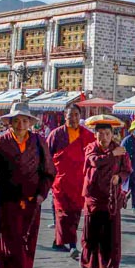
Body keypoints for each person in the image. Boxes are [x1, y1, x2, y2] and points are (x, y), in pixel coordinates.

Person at [0, 101, 56, 268]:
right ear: (10, 123)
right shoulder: (0, 144)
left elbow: (49, 171)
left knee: (27, 241)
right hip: (8, 201)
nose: (20, 125)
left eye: (24, 121)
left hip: (31, 201)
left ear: (30, 122)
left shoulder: (38, 142)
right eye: (16, 121)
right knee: (11, 242)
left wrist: (42, 194)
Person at [80, 116, 131, 268]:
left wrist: (119, 177)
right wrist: (111, 154)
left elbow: (126, 170)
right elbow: (94, 161)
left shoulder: (120, 150)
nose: (104, 137)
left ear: (112, 134)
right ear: (95, 135)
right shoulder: (91, 148)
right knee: (91, 235)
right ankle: (89, 260)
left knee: (109, 236)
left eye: (107, 133)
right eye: (100, 133)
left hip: (111, 198)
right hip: (94, 197)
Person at [47, 104, 96, 258]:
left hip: (79, 181)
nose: (73, 118)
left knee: (75, 213)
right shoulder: (56, 135)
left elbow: (95, 153)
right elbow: (47, 158)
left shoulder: (86, 135)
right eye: (70, 115)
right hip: (60, 181)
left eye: (76, 115)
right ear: (64, 116)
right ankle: (72, 244)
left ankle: (59, 242)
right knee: (62, 213)